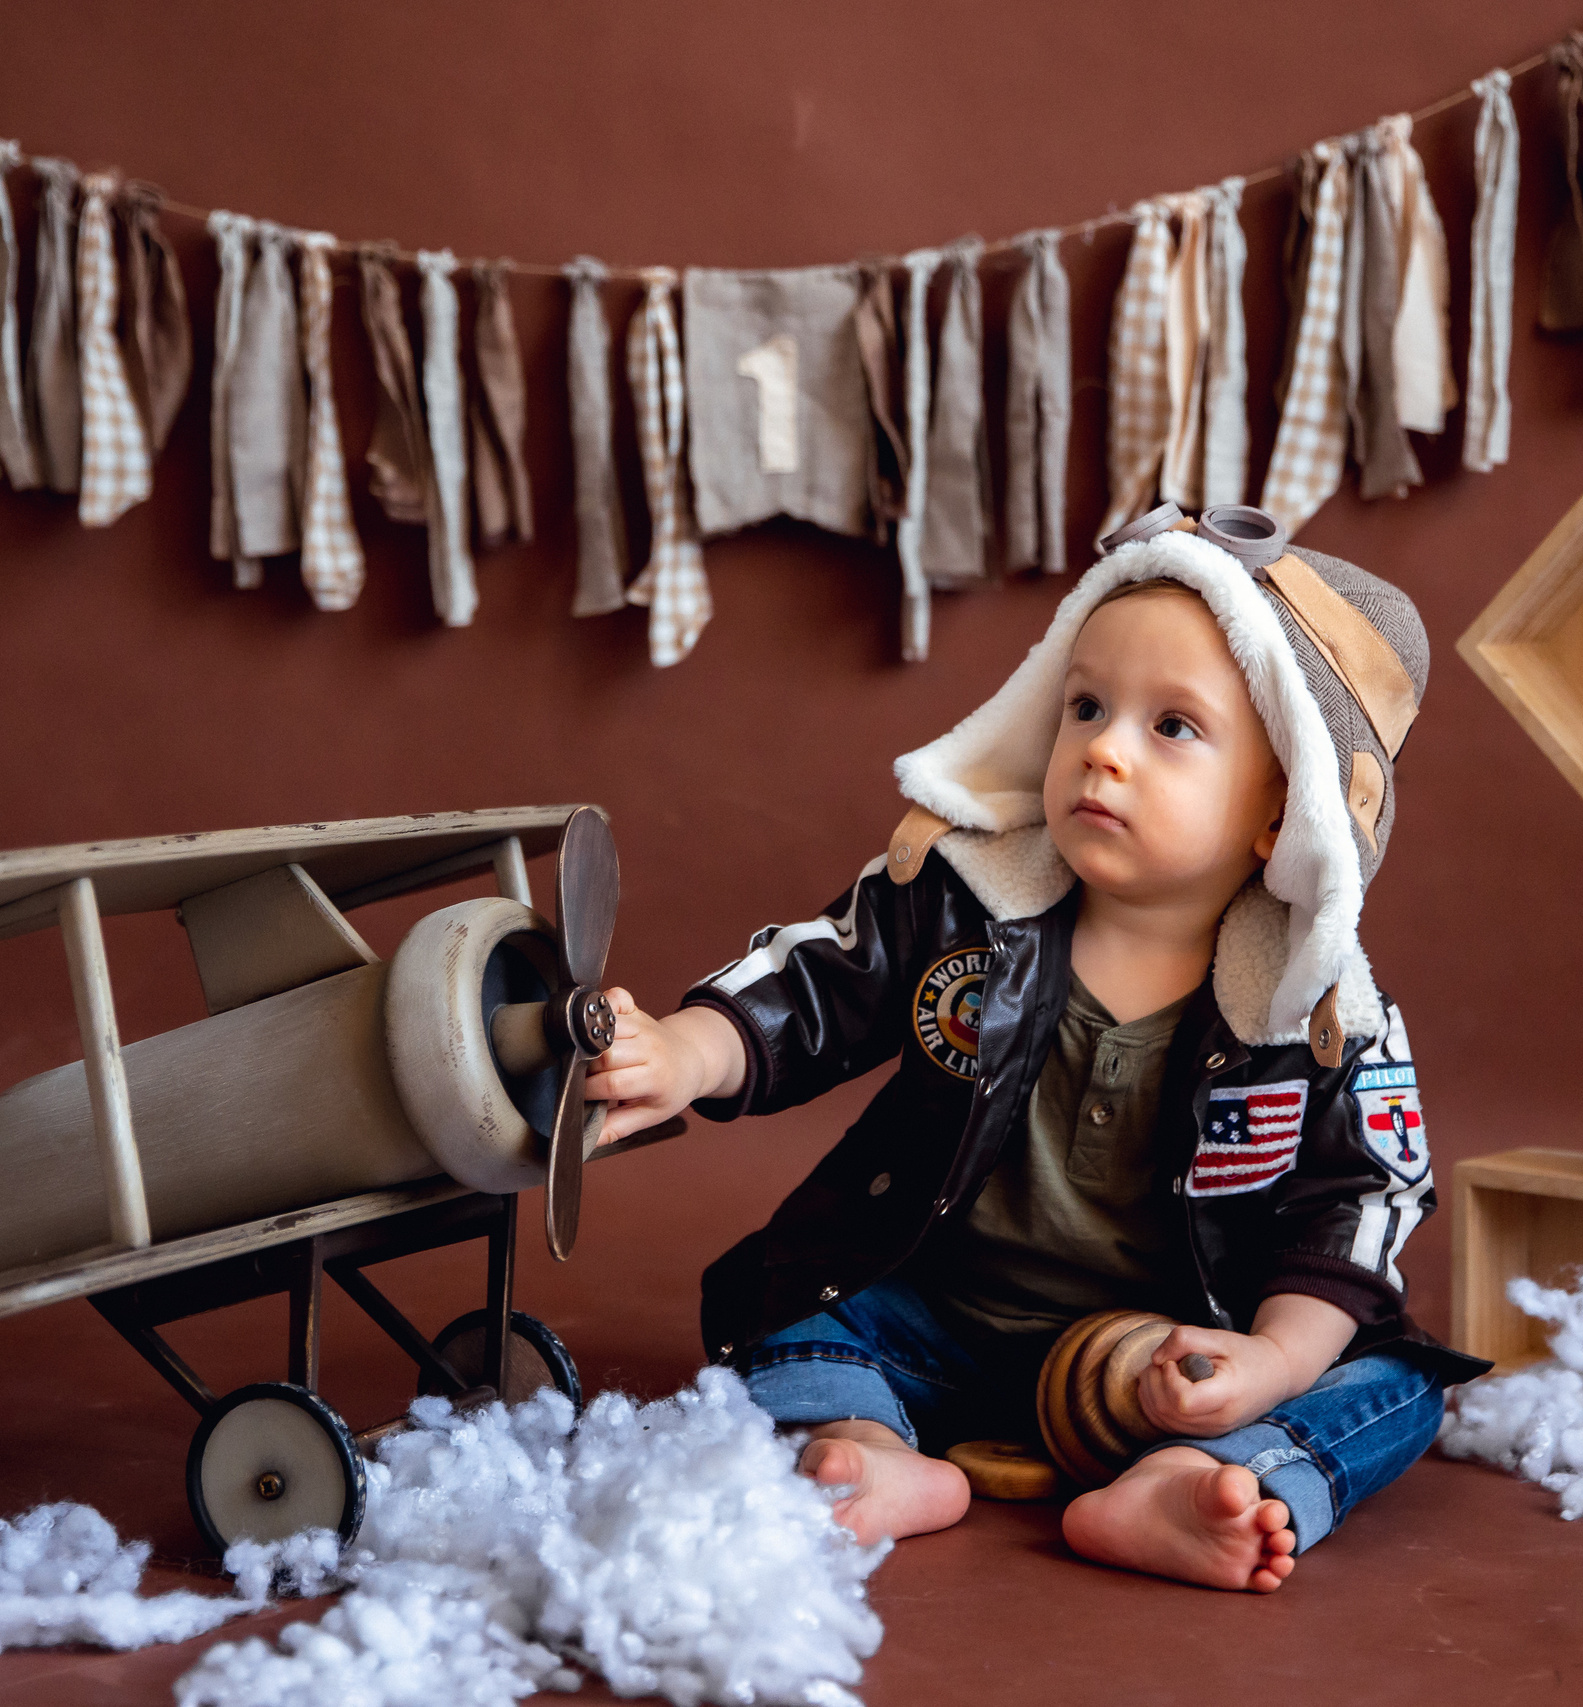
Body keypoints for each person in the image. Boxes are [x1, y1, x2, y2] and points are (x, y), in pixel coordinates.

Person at [588, 505, 1486, 1593]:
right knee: (787, 1322)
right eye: (1086, 707)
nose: (1103, 748)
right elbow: (820, 979)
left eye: (1173, 728)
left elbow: (1360, 1200)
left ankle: (1211, 1477)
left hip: (1167, 1358)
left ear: (1278, 814)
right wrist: (686, 1050)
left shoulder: (1319, 1009)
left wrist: (1268, 1362)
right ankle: (871, 1454)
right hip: (931, 1314)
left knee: (1395, 1384)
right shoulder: (962, 901)